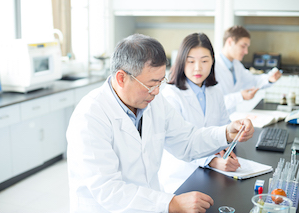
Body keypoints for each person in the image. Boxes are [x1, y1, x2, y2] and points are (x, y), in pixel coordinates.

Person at [66, 33, 254, 213]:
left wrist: (226, 133)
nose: (156, 92)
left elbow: (187, 141)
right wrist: (170, 203)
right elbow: (109, 191)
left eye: (160, 82)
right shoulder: (90, 117)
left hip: (151, 204)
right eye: (151, 84)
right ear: (121, 78)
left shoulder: (153, 102)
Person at [159, 32, 241, 193]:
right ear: (182, 62)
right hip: (181, 176)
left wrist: (225, 148)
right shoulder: (171, 95)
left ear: (212, 61)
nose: (198, 68)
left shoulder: (215, 90)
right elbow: (179, 143)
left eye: (204, 61)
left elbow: (223, 125)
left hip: (213, 173)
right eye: (191, 61)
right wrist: (211, 161)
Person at [215, 25, 282, 114]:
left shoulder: (236, 65)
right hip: (215, 123)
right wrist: (240, 96)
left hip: (230, 120)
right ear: (230, 42)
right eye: (243, 46)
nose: (246, 51)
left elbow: (253, 81)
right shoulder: (213, 67)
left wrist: (270, 79)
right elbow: (214, 103)